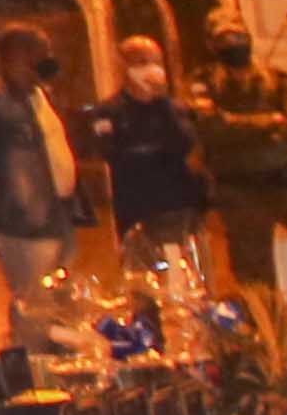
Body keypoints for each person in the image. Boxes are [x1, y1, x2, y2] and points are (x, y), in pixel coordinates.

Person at [190, 27, 287, 359]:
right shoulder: (206, 83)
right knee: (255, 275)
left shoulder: (280, 81)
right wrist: (271, 123)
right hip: (239, 189)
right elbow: (210, 129)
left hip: (285, 182)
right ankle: (272, 344)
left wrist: (240, 127)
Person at [0, 27, 83, 379]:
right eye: (32, 56)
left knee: (61, 307)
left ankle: (62, 379)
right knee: (33, 309)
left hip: (57, 217)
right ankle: (36, 381)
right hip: (23, 224)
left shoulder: (38, 97)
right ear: (10, 59)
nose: (40, 65)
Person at [88, 34, 211, 269]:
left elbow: (185, 143)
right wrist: (153, 150)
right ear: (124, 67)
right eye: (142, 62)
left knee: (187, 274)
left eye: (156, 62)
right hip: (136, 209)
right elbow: (112, 153)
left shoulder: (174, 108)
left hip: (178, 206)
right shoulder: (109, 111)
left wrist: (162, 103)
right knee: (143, 277)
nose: (151, 69)